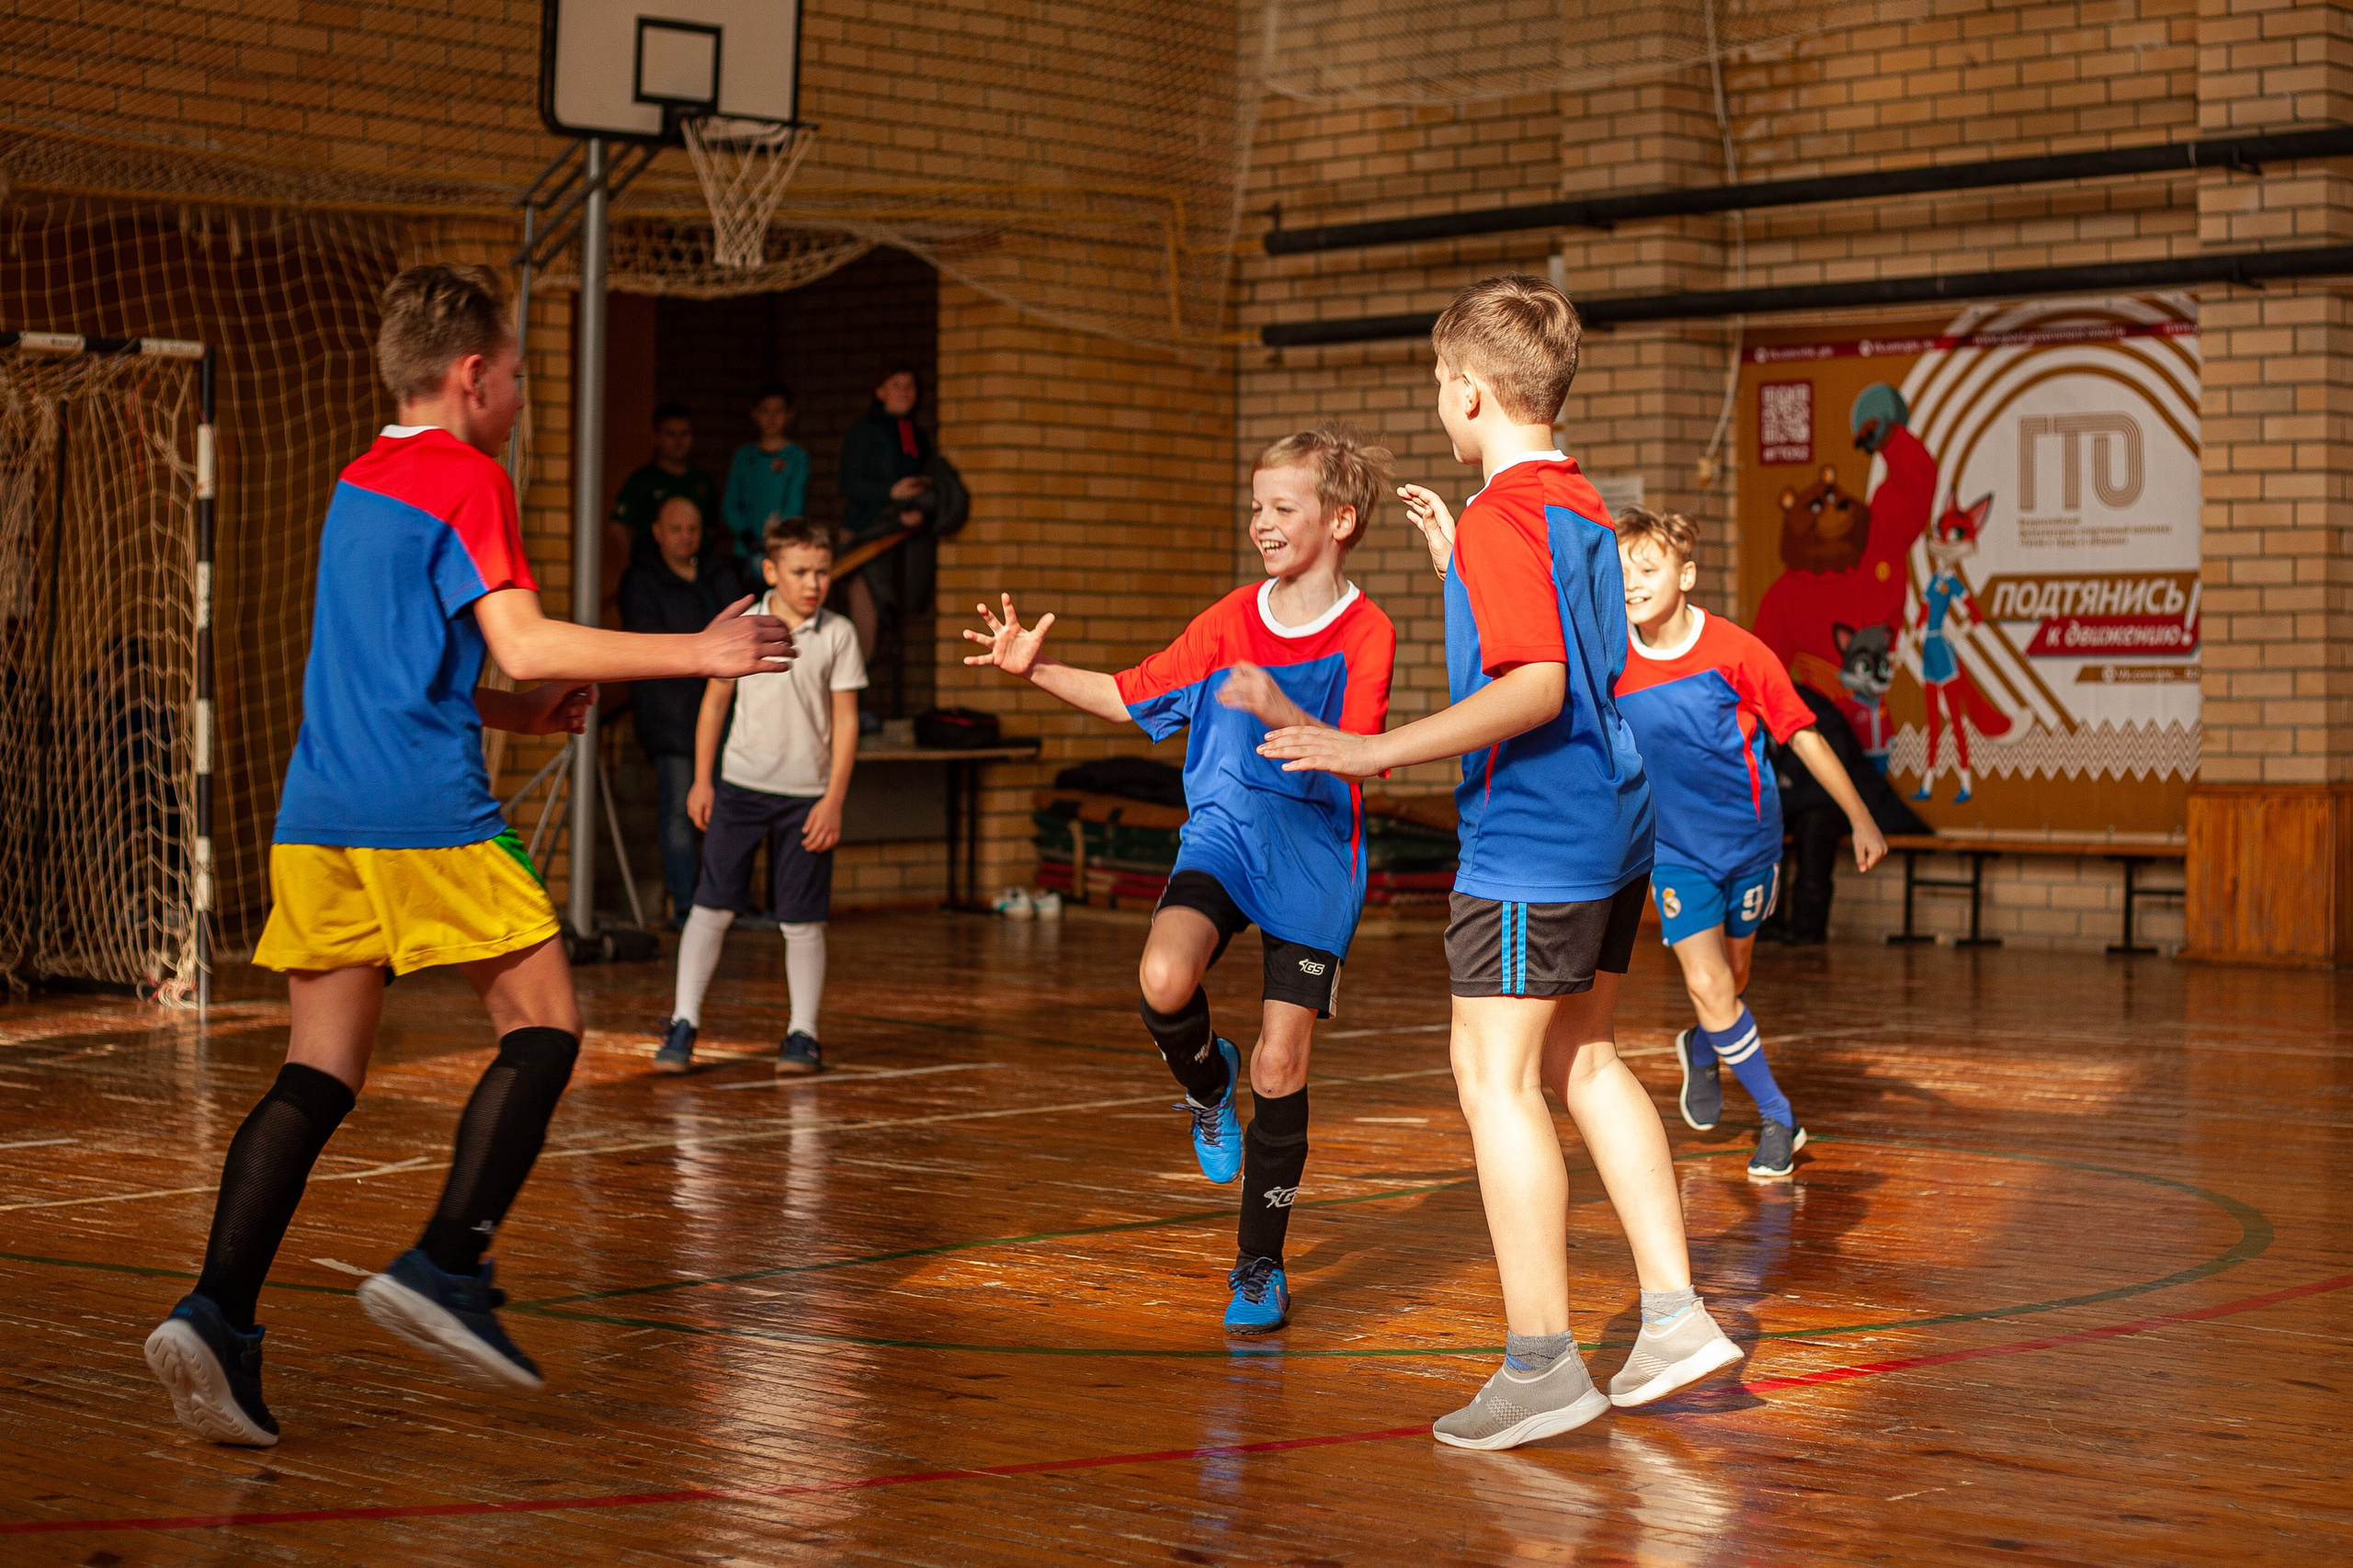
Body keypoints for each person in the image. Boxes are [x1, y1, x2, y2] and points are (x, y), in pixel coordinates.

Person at [141, 264, 790, 1449]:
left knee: (316, 1072)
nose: (526, 397)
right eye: (522, 376)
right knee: (545, 1025)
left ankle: (215, 1309)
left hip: (317, 811)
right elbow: (527, 640)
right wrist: (698, 652)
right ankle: (446, 1261)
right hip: (420, 808)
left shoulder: (358, 480)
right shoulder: (466, 475)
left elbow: (395, 673)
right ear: (473, 375)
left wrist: (506, 714)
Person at [1258, 276, 1739, 1449]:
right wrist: (1456, 571)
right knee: (1583, 1057)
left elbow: (1535, 685)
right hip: (1616, 822)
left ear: (1469, 392)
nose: (1439, 399)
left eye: (1439, 381)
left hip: (1536, 837)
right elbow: (1564, 642)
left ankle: (1542, 1364)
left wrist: (1370, 749)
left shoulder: (1500, 517)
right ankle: (1673, 1316)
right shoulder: (1576, 502)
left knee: (1493, 1076)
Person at [962, 424, 1397, 1335]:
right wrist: (1034, 667)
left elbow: (1361, 754)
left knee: (1281, 1064)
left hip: (1314, 861)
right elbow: (1129, 694)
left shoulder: (1367, 632)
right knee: (1163, 978)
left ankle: (1258, 1265)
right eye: (1256, 506)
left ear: (1340, 520)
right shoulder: (1227, 619)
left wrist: (1279, 706)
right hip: (1225, 840)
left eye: (1283, 507)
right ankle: (1206, 1083)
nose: (1262, 522)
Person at [1610, 506, 1887, 1178]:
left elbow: (1803, 734)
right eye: (1621, 573)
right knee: (1709, 983)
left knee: (1732, 979)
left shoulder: (1738, 651)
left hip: (1753, 845)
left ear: (1686, 575)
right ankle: (1778, 1116)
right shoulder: (1610, 657)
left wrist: (1860, 815)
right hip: (1675, 854)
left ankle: (1703, 1048)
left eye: (1647, 569)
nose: (1632, 584)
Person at [655, 516, 865, 1077]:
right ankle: (683, 1021)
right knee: (711, 908)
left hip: (807, 798)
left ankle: (803, 1033)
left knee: (802, 920)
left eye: (823, 572)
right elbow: (714, 704)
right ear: (771, 571)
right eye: (800, 572)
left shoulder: (839, 634)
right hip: (741, 791)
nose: (813, 583)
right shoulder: (744, 627)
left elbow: (846, 723)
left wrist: (833, 800)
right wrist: (703, 780)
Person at [619, 494, 737, 928]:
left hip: (722, 712)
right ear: (657, 533)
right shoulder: (641, 581)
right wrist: (702, 650)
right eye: (676, 529)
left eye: (692, 529)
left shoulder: (717, 575)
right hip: (669, 715)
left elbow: (739, 630)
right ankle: (686, 904)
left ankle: (724, 902)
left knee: (727, 810)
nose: (685, 537)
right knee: (679, 811)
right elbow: (647, 646)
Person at [838, 363, 935, 656]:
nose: (905, 392)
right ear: (880, 392)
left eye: (910, 386)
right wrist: (890, 492)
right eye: (896, 385)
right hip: (864, 534)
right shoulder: (864, 430)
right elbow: (847, 483)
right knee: (864, 622)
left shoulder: (917, 435)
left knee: (891, 630)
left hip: (901, 536)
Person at [611, 402, 720, 572]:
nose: (678, 441)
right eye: (670, 434)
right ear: (656, 437)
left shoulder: (702, 480)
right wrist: (639, 560)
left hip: (696, 569)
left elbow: (711, 526)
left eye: (684, 434)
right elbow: (618, 526)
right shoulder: (642, 479)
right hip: (652, 568)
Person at [721, 382, 809, 573]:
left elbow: (795, 506)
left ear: (790, 414)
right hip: (745, 550)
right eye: (765, 411)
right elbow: (730, 505)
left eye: (778, 411)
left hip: (782, 549)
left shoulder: (796, 457)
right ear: (755, 414)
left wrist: (774, 538)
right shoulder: (743, 456)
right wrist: (749, 538)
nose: (771, 418)